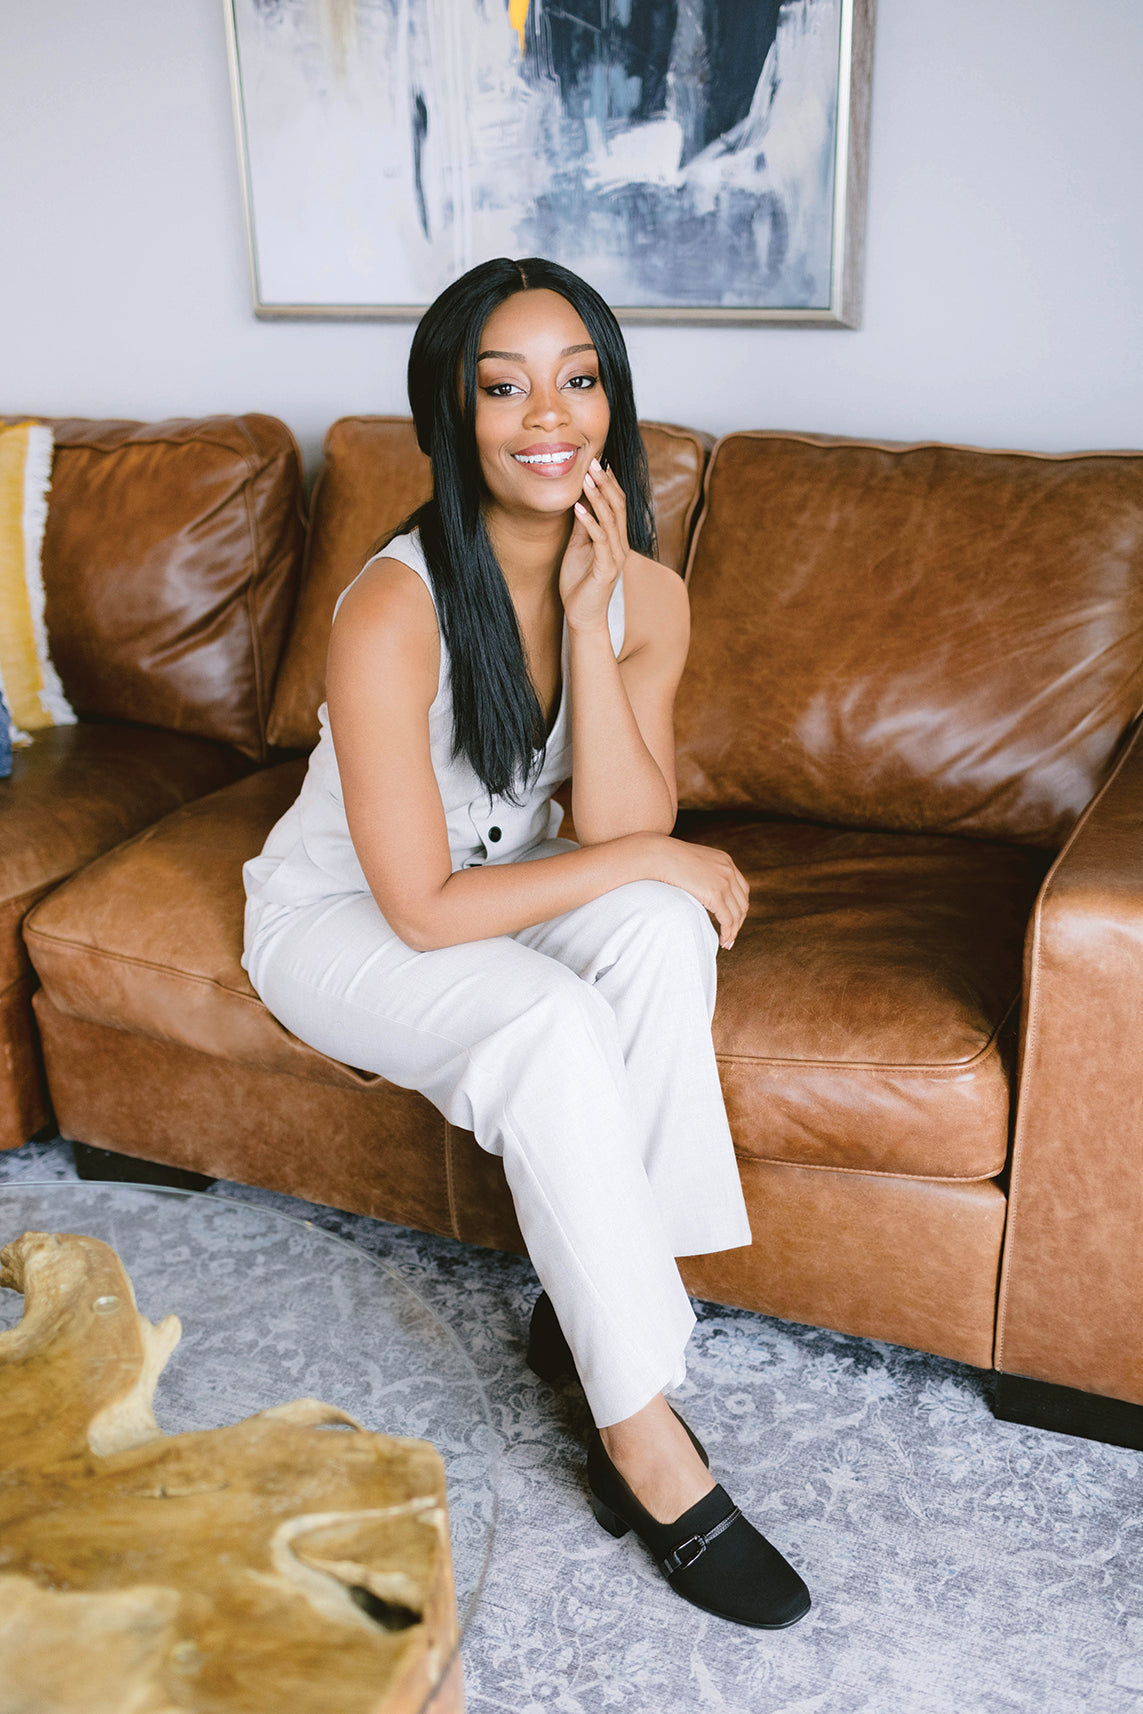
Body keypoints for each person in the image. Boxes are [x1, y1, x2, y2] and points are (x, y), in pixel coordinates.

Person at [242, 256, 810, 1630]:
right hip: (341, 921)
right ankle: (644, 1434)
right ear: (453, 411)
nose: (545, 415)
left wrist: (582, 621)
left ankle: (596, 1310)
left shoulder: (643, 592)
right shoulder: (394, 604)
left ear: (611, 396)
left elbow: (618, 818)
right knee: (551, 1020)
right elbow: (424, 907)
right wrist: (654, 850)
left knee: (665, 925)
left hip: (508, 874)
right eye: (503, 385)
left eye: (578, 378)